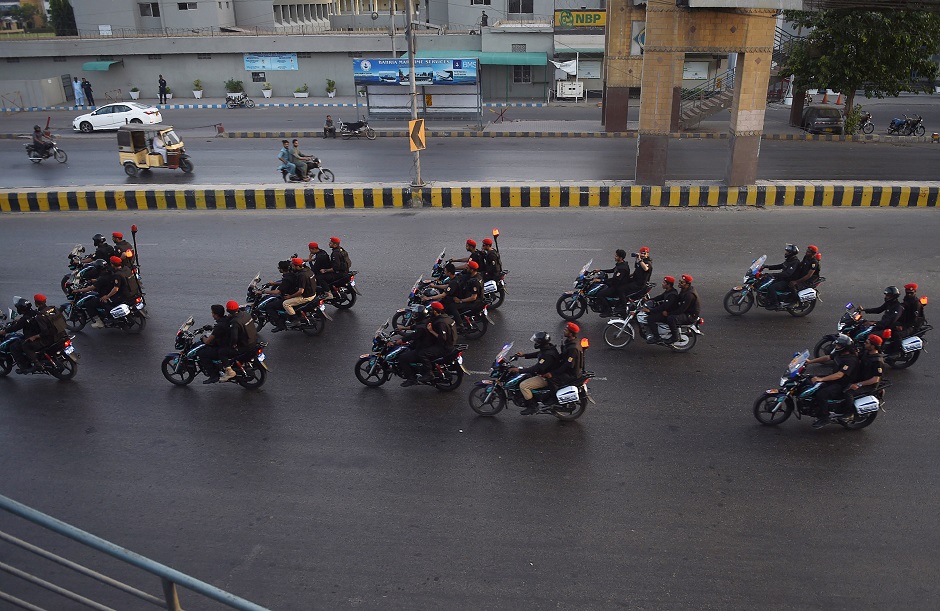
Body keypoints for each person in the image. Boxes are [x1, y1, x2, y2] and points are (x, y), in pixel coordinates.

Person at [809, 334, 858, 428]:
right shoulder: (839, 353)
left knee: (821, 394)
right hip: (835, 379)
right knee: (810, 381)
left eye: (838, 346)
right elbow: (827, 357)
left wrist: (821, 379)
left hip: (842, 384)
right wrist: (810, 361)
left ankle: (825, 417)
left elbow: (839, 375)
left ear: (845, 348)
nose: (836, 347)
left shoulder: (850, 360)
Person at [509, 331, 560, 414]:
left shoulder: (547, 355)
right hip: (545, 373)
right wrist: (524, 355)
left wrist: (519, 370)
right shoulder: (548, 348)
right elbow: (538, 354)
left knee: (523, 385)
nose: (535, 343)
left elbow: (536, 368)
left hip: (546, 378)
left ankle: (532, 406)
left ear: (541, 343)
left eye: (537, 341)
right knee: (526, 376)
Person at [399, 302, 449, 386]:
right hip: (427, 343)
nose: (414, 316)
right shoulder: (427, 320)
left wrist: (401, 340)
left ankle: (411, 379)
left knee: (403, 358)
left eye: (415, 314)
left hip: (424, 346)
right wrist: (404, 328)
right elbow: (416, 327)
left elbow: (413, 335)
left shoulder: (421, 328)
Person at [73, 256, 125, 328]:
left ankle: (99, 321)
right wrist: (94, 280)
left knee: (89, 303)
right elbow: (101, 280)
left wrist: (78, 290)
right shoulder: (111, 272)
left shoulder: (102, 278)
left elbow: (90, 288)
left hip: (106, 295)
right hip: (112, 293)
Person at [0, 297, 42, 373]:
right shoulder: (34, 312)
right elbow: (27, 319)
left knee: (13, 347)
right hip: (38, 334)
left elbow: (14, 328)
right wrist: (18, 319)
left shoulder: (24, 319)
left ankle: (24, 366)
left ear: (21, 309)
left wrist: (3, 332)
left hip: (33, 337)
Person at [659, 274, 699, 344]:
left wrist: (668, 313)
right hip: (686, 311)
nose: (679, 283)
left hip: (689, 315)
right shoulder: (684, 290)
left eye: (682, 282)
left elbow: (682, 309)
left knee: (671, 318)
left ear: (687, 284)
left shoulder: (689, 295)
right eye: (680, 281)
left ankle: (675, 337)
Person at [198, 304, 233, 384]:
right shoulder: (226, 319)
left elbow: (207, 341)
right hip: (227, 343)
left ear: (216, 315)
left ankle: (213, 376)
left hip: (222, 347)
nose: (212, 315)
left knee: (202, 353)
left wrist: (203, 337)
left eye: (213, 313)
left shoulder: (219, 326)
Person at [592, 249, 632, 316]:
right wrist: (600, 270)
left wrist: (601, 280)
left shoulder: (622, 268)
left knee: (600, 294)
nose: (614, 257)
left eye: (616, 256)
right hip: (615, 285)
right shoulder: (620, 264)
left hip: (617, 287)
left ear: (620, 258)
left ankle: (608, 310)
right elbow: (612, 270)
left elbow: (615, 280)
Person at [227, 300, 258, 382]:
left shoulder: (235, 322)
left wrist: (232, 346)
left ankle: (229, 370)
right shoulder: (246, 314)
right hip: (254, 340)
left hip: (246, 345)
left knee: (223, 352)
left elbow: (234, 338)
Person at [262, 260, 298, 332]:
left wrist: (263, 292)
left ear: (281, 269)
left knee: (269, 306)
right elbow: (285, 282)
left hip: (288, 297)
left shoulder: (287, 279)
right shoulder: (291, 274)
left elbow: (277, 292)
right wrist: (274, 283)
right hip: (294, 294)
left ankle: (280, 325)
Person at [546, 322, 584, 388]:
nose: (564, 331)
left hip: (571, 374)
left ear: (571, 334)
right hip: (568, 369)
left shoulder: (573, 348)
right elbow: (563, 355)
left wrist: (552, 374)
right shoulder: (570, 341)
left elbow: (568, 365)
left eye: (566, 330)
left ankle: (554, 397)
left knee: (550, 380)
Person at [282, 257, 317, 327]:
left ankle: (295, 320)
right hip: (313, 293)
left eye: (293, 266)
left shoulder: (302, 275)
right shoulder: (308, 270)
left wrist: (290, 296)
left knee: (286, 303)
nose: (292, 267)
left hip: (306, 296)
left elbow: (301, 291)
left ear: (297, 266)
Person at [763, 244, 801, 308]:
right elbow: (781, 266)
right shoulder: (790, 260)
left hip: (788, 281)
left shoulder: (795, 262)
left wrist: (773, 274)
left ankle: (776, 303)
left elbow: (787, 274)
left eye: (787, 252)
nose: (785, 253)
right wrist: (767, 266)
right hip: (783, 278)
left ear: (791, 253)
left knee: (771, 287)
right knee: (767, 283)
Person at [643, 276, 679, 343]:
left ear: (669, 285)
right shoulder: (668, 291)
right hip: (665, 311)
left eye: (664, 283)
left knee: (650, 318)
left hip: (668, 314)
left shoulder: (672, 295)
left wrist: (650, 310)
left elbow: (664, 306)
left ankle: (657, 337)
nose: (662, 283)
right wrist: (649, 300)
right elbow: (660, 297)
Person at [847, 335, 884, 399]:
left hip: (868, 385)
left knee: (848, 394)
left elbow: (875, 379)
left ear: (873, 346)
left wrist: (858, 384)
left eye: (867, 343)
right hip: (860, 378)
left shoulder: (877, 361)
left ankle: (849, 408)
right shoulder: (866, 353)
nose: (864, 343)